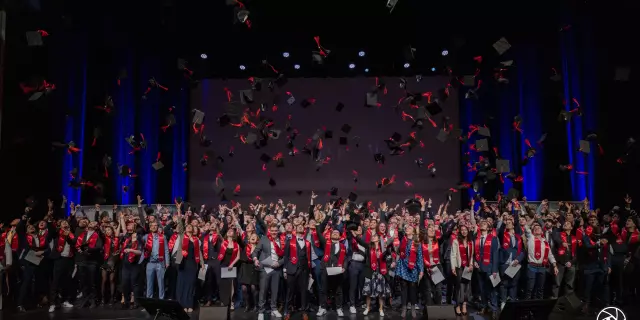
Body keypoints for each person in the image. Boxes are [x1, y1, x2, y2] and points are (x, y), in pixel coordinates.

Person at [352, 229, 392, 316]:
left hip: (381, 271)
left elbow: (388, 256)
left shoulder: (383, 247)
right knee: (368, 292)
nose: (373, 237)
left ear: (378, 238)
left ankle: (381, 308)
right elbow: (361, 242)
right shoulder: (369, 246)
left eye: (375, 236)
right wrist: (355, 235)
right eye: (372, 236)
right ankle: (368, 307)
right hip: (370, 271)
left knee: (381, 292)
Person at [252, 223, 285, 320]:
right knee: (263, 290)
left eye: (276, 230)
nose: (274, 232)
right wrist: (255, 259)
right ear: (269, 230)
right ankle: (261, 311)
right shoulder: (264, 239)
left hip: (276, 268)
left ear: (278, 231)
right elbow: (256, 251)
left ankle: (274, 309)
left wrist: (279, 263)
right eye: (272, 230)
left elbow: (286, 256)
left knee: (275, 290)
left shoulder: (282, 240)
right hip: (265, 268)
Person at [316, 228, 350, 317]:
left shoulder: (343, 246)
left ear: (340, 236)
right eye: (333, 232)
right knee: (324, 290)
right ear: (330, 235)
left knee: (338, 290)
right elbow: (318, 231)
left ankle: (339, 308)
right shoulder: (326, 243)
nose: (335, 233)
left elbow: (345, 259)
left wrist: (344, 268)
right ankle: (323, 308)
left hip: (337, 270)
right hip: (325, 270)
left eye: (337, 233)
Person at [171, 223, 204, 313]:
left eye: (191, 227)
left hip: (192, 264)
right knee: (182, 284)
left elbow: (199, 252)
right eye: (188, 226)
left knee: (191, 284)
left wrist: (202, 263)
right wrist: (178, 211)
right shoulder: (182, 236)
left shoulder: (196, 239)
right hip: (182, 263)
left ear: (193, 230)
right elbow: (180, 226)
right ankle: (182, 305)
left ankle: (189, 304)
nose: (189, 227)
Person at [283, 223, 312, 320]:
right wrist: (285, 269)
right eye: (298, 226)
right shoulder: (290, 241)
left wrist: (310, 271)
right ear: (295, 229)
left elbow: (309, 258)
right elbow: (286, 256)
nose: (300, 226)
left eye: (302, 226)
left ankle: (304, 311)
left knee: (304, 291)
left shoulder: (308, 242)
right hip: (292, 269)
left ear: (304, 229)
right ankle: (287, 311)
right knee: (290, 291)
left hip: (304, 270)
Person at [474, 219, 499, 320]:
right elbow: (473, 253)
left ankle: (493, 309)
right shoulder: (476, 239)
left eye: (485, 224)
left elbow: (495, 255)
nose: (482, 225)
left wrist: (494, 270)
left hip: (489, 267)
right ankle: (484, 306)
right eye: (481, 223)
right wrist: (474, 261)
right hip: (479, 267)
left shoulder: (493, 239)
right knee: (482, 289)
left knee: (492, 290)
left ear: (488, 228)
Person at [397, 225, 423, 318]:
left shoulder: (417, 243)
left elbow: (419, 257)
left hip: (413, 268)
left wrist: (421, 270)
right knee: (403, 288)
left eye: (410, 228)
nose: (407, 229)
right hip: (403, 266)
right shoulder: (403, 240)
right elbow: (398, 252)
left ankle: (412, 307)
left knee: (413, 289)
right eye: (406, 228)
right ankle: (404, 307)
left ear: (413, 232)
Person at [143, 222, 170, 299]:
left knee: (161, 283)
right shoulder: (146, 237)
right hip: (150, 262)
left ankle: (161, 300)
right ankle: (149, 301)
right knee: (149, 283)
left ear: (158, 227)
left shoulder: (163, 237)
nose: (154, 227)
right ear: (150, 227)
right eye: (152, 226)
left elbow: (166, 250)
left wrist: (167, 262)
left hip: (160, 262)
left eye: (156, 225)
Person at [451, 224, 473, 316]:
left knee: (467, 287)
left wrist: (471, 264)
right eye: (462, 230)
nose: (464, 231)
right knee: (459, 286)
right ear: (460, 232)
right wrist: (453, 267)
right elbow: (453, 255)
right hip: (459, 267)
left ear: (468, 231)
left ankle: (464, 305)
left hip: (468, 267)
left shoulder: (470, 242)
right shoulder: (456, 241)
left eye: (465, 230)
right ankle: (457, 305)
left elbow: (471, 255)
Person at [120, 232, 142, 309]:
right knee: (125, 284)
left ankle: (135, 302)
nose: (134, 235)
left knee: (134, 284)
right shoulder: (127, 241)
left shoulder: (139, 242)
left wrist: (131, 250)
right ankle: (126, 301)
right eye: (133, 234)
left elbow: (140, 252)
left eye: (135, 235)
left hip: (134, 265)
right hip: (126, 266)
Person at [99, 225, 119, 305]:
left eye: (109, 230)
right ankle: (103, 299)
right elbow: (100, 233)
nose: (108, 231)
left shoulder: (116, 239)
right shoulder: (104, 239)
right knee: (104, 280)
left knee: (112, 280)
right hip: (105, 260)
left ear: (112, 231)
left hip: (113, 260)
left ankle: (112, 298)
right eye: (106, 230)